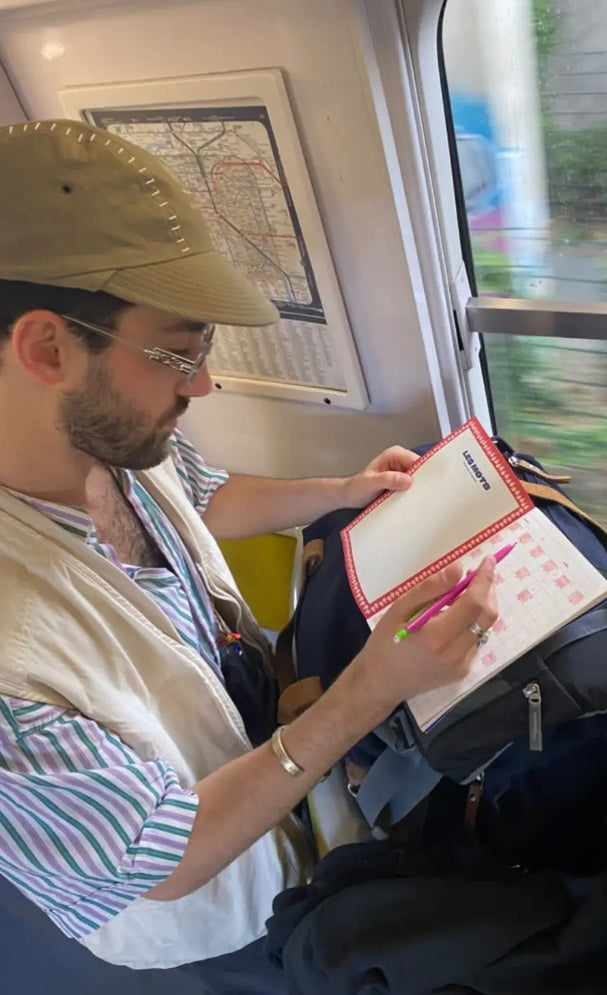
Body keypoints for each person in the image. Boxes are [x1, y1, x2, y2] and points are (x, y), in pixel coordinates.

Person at [0, 120, 498, 988]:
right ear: (47, 348)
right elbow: (165, 858)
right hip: (205, 910)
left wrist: (343, 489)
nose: (203, 385)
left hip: (260, 764)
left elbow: (203, 495)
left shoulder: (110, 441)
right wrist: (367, 693)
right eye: (178, 353)